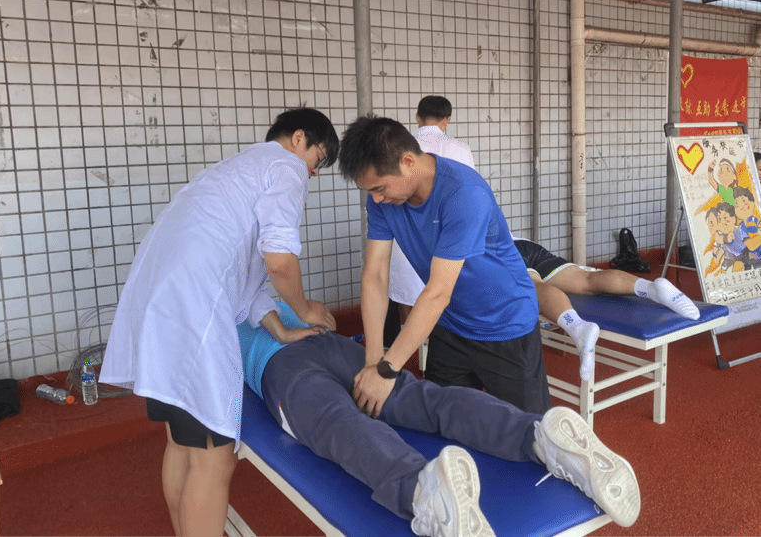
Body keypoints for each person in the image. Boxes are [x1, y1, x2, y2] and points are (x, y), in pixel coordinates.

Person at [99, 108, 339, 537]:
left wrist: (280, 329)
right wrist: (305, 310)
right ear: (299, 138)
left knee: (182, 443)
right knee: (214, 458)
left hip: (158, 312)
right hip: (193, 316)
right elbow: (279, 261)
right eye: (318, 159)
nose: (314, 173)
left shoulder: (236, 169)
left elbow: (246, 276)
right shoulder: (286, 168)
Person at [238, 303, 642, 536]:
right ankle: (539, 437)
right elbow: (310, 310)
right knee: (421, 398)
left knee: (337, 424)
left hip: (280, 368)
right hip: (325, 341)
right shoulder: (253, 283)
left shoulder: (208, 311)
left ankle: (424, 490)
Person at [338, 114, 550, 414]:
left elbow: (438, 292)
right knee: (445, 423)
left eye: (380, 188)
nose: (376, 199)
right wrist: (374, 359)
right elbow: (375, 275)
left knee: (527, 430)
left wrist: (387, 370)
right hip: (450, 324)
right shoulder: (381, 201)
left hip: (505, 324)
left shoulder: (463, 193)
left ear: (407, 162)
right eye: (369, 191)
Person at [512, 237, 700, 381]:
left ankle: (577, 327)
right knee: (586, 279)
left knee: (535, 286)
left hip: (504, 249)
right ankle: (650, 288)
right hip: (527, 245)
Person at [385, 96, 477, 346]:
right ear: (447, 120)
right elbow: (469, 193)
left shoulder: (398, 150)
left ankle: (416, 347)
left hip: (407, 230)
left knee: (409, 288)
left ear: (417, 117)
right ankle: (443, 345)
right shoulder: (460, 149)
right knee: (446, 290)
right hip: (448, 233)